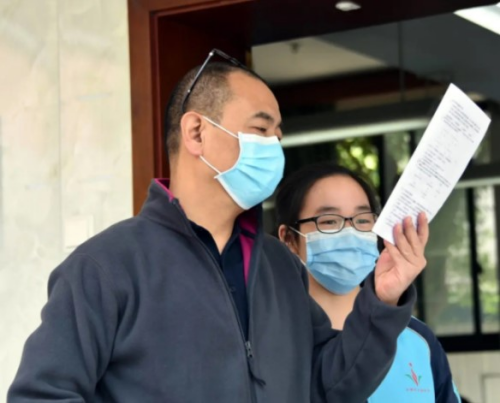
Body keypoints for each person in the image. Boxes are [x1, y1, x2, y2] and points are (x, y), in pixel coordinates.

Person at [9, 49, 427, 403]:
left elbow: (329, 384)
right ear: (196, 132)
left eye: (278, 136)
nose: (274, 147)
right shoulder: (107, 266)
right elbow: (41, 394)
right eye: (260, 129)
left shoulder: (280, 266)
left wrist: (382, 299)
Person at [276, 162, 461, 402]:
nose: (350, 231)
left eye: (363, 220)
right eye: (329, 221)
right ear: (289, 239)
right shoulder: (272, 338)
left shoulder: (417, 339)